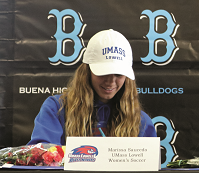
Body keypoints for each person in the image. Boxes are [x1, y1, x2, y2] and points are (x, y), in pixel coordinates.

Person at [28, 29, 156, 145]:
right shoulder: (56, 108)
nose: (111, 82)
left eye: (118, 74)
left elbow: (149, 168)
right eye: (103, 72)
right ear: (87, 71)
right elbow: (41, 158)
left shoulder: (140, 121)